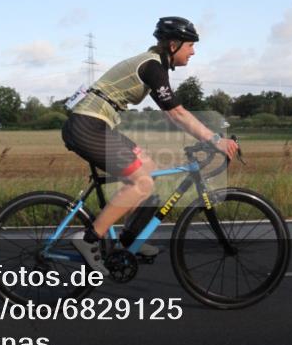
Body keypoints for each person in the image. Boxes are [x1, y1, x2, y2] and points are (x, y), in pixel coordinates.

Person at [61, 16, 239, 274]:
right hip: (88, 126)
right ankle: (89, 239)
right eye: (190, 45)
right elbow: (176, 113)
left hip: (94, 124)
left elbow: (172, 113)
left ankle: (130, 239)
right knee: (141, 181)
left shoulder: (156, 65)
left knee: (150, 168)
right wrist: (214, 140)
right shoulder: (152, 66)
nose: (193, 51)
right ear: (174, 44)